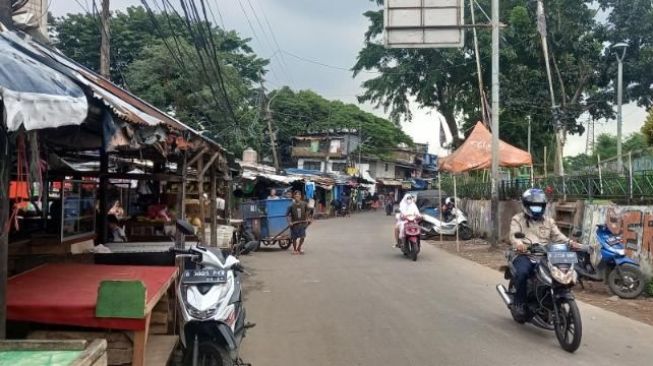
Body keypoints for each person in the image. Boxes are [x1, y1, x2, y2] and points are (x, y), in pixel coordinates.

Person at [509, 188, 581, 319]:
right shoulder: (517, 219)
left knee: (560, 273)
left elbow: (559, 237)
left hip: (545, 254)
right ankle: (519, 303)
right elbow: (514, 236)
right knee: (522, 273)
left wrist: (572, 243)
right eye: (533, 206)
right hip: (525, 254)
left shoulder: (549, 221)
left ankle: (548, 299)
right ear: (526, 205)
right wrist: (519, 245)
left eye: (539, 206)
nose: (537, 209)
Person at [287, 191, 311, 255]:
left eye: (298, 195)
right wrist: (289, 222)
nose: (297, 196)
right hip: (294, 224)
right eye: (296, 195)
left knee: (302, 237)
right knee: (294, 238)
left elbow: (309, 210)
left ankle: (299, 247)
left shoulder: (304, 204)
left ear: (300, 196)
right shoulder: (291, 205)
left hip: (302, 223)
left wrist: (308, 218)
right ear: (294, 197)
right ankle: (295, 249)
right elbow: (287, 215)